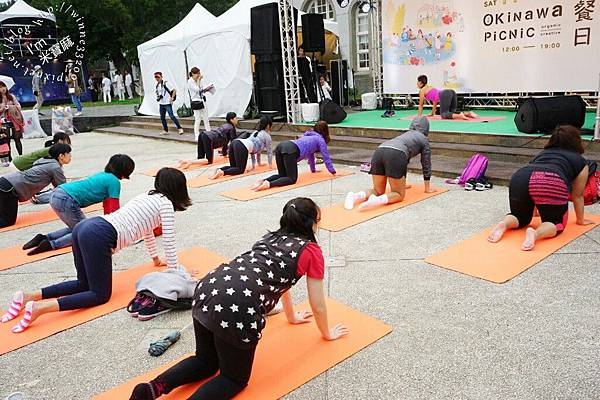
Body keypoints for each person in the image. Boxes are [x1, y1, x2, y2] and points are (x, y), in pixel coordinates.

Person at [129, 197, 349, 400]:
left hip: (208, 287)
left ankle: (151, 389)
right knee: (233, 379)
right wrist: (327, 333)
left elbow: (281, 282)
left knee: (205, 361)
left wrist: (291, 316)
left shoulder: (270, 238)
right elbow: (318, 304)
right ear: (313, 222)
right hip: (237, 305)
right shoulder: (311, 251)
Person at [1, 167, 192, 333]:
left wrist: (156, 260)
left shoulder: (147, 197)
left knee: (83, 284)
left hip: (87, 227)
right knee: (100, 295)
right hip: (99, 234)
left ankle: (30, 295)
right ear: (178, 188)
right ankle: (39, 308)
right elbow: (169, 239)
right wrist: (176, 274)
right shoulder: (166, 204)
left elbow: (149, 231)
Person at [487, 126, 594, 251]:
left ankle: (504, 224)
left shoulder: (541, 154)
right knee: (555, 222)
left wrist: (535, 212)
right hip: (551, 179)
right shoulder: (580, 161)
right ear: (577, 141)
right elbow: (577, 195)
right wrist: (580, 220)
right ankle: (535, 234)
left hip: (521, 176)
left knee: (519, 216)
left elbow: (534, 181)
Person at [22, 154, 135, 255]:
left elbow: (107, 205)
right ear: (124, 171)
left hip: (57, 193)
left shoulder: (102, 175)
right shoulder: (114, 182)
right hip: (66, 198)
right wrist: (115, 227)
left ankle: (43, 238)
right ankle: (52, 244)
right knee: (85, 232)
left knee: (76, 227)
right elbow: (113, 207)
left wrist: (107, 221)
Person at [344, 116, 435, 210]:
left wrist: (403, 182)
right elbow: (426, 163)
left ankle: (355, 196)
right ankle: (376, 200)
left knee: (377, 190)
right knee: (399, 194)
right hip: (395, 154)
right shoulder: (424, 139)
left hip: (380, 150)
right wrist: (427, 188)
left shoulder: (405, 134)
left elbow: (404, 161)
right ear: (426, 128)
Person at [0, 144, 71, 228]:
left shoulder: (45, 160)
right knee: (8, 221)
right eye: (69, 153)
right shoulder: (55, 167)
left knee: (4, 216)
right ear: (61, 156)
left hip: (6, 183)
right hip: (9, 188)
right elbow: (63, 188)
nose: (70, 156)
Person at [252, 120, 336, 191]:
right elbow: (326, 157)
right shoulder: (320, 140)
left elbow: (311, 155)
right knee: (291, 179)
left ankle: (262, 181)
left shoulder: (308, 135)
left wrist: (313, 170)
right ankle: (269, 184)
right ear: (326, 131)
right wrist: (333, 171)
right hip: (290, 150)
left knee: (282, 175)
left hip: (281, 146)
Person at [209, 115, 273, 179]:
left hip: (234, 143)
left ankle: (219, 169)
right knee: (240, 170)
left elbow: (256, 151)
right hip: (241, 146)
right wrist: (270, 165)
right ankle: (222, 172)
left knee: (234, 167)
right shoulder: (267, 136)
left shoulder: (256, 132)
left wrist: (258, 164)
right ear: (268, 125)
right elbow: (269, 152)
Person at [1, 132, 71, 177]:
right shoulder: (52, 150)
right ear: (60, 141)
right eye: (66, 141)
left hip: (19, 163)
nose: (68, 144)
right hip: (18, 165)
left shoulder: (53, 149)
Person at [0, 81, 25, 159]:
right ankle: (9, 158)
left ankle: (21, 157)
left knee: (17, 138)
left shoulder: (11, 96)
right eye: (0, 87)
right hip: (4, 121)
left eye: (4, 86)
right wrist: (2, 108)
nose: (3, 89)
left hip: (14, 120)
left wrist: (10, 107)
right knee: (7, 140)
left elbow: (19, 107)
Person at [187, 67, 211, 141]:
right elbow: (197, 89)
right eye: (197, 74)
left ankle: (209, 133)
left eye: (199, 73)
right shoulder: (190, 81)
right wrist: (198, 80)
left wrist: (206, 89)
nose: (198, 75)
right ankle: (196, 135)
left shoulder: (198, 80)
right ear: (193, 74)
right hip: (196, 101)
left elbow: (201, 89)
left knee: (206, 118)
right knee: (198, 119)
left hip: (202, 100)